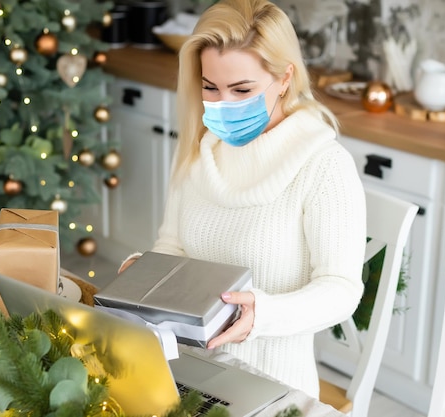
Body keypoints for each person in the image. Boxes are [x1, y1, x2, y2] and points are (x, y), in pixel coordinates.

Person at [118, 0, 366, 398]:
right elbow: (173, 245)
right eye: (210, 87)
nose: (224, 104)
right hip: (186, 376)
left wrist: (262, 315)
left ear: (285, 78)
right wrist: (149, 274)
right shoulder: (200, 151)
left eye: (242, 90)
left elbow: (341, 289)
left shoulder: (324, 165)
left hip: (274, 389)